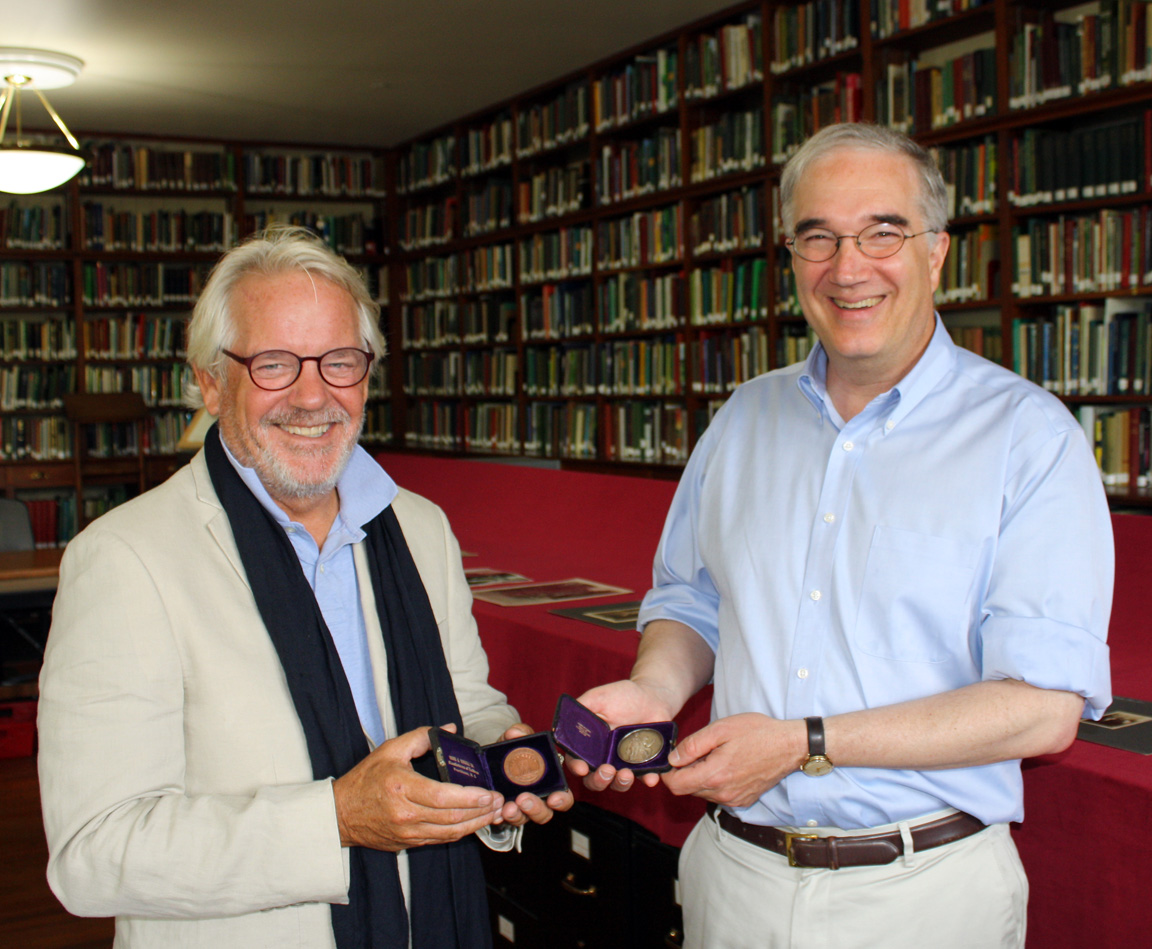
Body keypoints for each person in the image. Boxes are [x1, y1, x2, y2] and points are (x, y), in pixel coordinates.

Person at [572, 123, 1113, 949]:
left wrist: (804, 744)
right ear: (791, 256)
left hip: (923, 893)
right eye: (818, 236)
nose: (848, 266)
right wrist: (655, 688)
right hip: (735, 879)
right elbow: (693, 599)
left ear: (936, 251)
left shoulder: (1028, 438)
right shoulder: (742, 419)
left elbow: (1041, 709)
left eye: (882, 231)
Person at [38, 225, 572, 949]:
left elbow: (465, 704)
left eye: (339, 361)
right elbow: (94, 853)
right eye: (275, 363)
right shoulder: (125, 559)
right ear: (210, 381)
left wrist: (498, 767)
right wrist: (337, 820)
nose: (313, 395)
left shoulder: (419, 528)